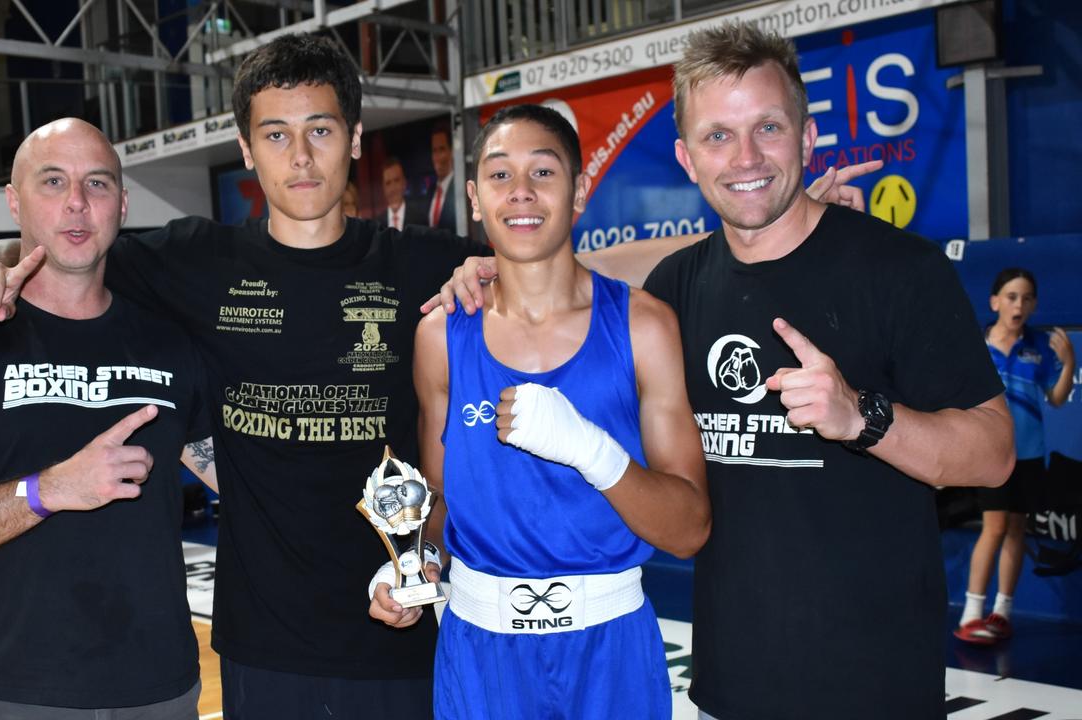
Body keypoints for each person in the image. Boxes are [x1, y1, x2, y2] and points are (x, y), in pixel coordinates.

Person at [0, 32, 874, 719]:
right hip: (262, 635)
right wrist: (0, 252)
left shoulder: (432, 269)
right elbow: (79, 243)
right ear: (246, 151)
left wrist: (771, 224)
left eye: (320, 129)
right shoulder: (197, 259)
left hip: (409, 624)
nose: (300, 154)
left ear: (355, 138)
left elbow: (567, 268)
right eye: (275, 134)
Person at [433, 22, 1013, 720]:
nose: (745, 156)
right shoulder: (677, 290)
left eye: (767, 127)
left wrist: (862, 417)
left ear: (805, 138)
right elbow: (572, 276)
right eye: (717, 136)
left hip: (876, 687)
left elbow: (994, 454)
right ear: (686, 156)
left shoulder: (899, 271)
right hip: (729, 688)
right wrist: (496, 259)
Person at [373, 104, 708, 720]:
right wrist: (410, 565)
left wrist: (592, 451)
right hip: (480, 654)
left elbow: (688, 529)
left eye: (543, 173)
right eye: (500, 175)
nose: (521, 192)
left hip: (610, 651)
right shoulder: (440, 337)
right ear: (473, 197)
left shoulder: (644, 327)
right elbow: (444, 505)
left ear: (579, 190)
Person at [0, 118, 217, 718]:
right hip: (7, 689)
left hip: (159, 687)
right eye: (53, 182)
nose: (77, 203)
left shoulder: (170, 343)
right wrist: (49, 490)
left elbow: (241, 477)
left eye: (98, 184)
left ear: (122, 203)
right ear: (14, 201)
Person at [955, 268, 1075, 645]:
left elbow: (1056, 399)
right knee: (994, 527)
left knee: (1017, 530)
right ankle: (972, 613)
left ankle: (1001, 612)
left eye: (1025, 298)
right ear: (994, 302)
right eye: (1010, 296)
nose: (1018, 304)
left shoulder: (1038, 347)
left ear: (1034, 305)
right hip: (991, 455)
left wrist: (1068, 363)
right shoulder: (975, 346)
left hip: (1030, 456)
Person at [427, 122, 457, 233]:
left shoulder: (460, 188)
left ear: (451, 151)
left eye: (442, 149)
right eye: (434, 151)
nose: (437, 157)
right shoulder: (430, 191)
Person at [381, 156, 425, 230]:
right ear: (383, 188)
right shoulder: (377, 225)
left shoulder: (420, 220)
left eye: (396, 180)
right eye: (388, 183)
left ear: (404, 183)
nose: (393, 189)